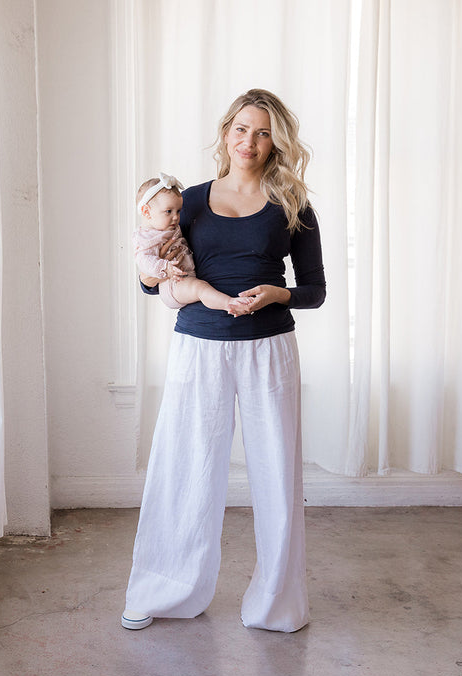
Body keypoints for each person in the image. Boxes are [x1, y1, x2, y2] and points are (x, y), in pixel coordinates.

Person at [121, 89, 326, 633]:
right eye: (240, 129)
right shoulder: (185, 201)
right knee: (185, 469)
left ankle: (277, 603)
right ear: (225, 133)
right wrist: (193, 289)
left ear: (275, 141)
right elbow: (151, 281)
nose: (249, 142)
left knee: (277, 476)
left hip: (269, 349)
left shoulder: (294, 205)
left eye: (262, 132)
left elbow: (315, 290)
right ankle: (164, 589)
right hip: (199, 346)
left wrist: (276, 294)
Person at [133, 173, 231, 310]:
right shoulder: (146, 237)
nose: (176, 217)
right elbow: (143, 260)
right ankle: (229, 304)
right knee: (200, 289)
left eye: (178, 211)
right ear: (147, 212)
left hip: (184, 278)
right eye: (168, 211)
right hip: (174, 284)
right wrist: (165, 268)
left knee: (201, 287)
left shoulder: (167, 228)